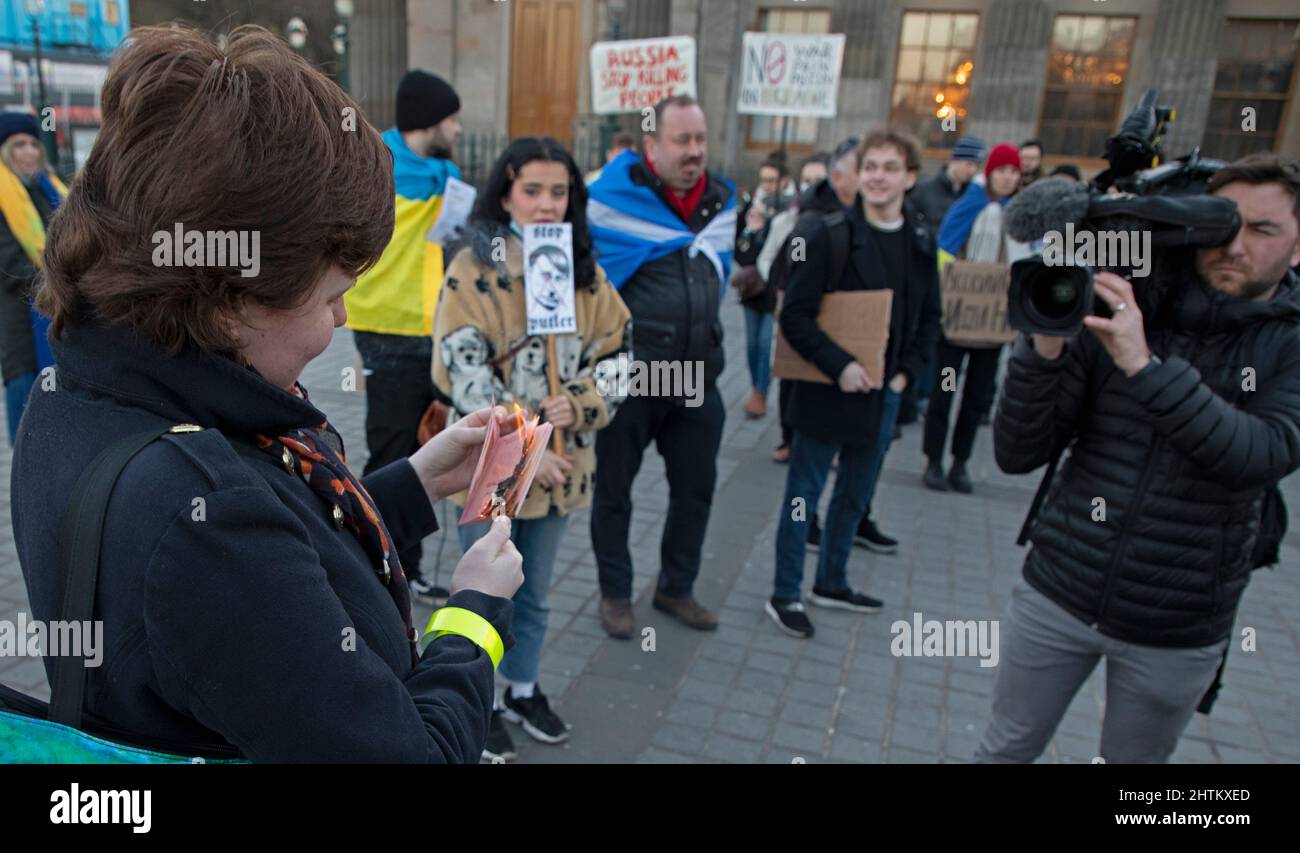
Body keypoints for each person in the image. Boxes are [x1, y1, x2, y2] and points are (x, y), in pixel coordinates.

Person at [13, 25, 523, 763]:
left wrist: (413, 483)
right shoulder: (202, 517)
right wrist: (474, 613)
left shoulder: (84, 391)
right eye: (331, 296)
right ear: (227, 298)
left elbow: (285, 564)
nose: (342, 320)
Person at [977, 152, 1300, 763]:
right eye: (1223, 224)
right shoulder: (1128, 301)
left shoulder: (1288, 342)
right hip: (1059, 589)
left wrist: (1144, 368)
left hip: (1177, 628)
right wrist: (1043, 350)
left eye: (1263, 230)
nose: (1235, 246)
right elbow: (1017, 453)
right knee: (1004, 750)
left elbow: (1262, 455)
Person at [432, 137, 630, 761]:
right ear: (506, 194)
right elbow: (458, 366)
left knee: (538, 593)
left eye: (559, 192)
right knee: (484, 594)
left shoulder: (587, 273)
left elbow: (621, 357)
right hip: (493, 471)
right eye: (532, 191)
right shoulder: (472, 267)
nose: (547, 204)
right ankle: (478, 701)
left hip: (568, 469)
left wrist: (583, 398)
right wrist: (526, 452)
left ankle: (521, 689)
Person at [766, 129, 940, 638]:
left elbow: (929, 317)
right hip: (826, 389)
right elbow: (794, 316)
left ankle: (833, 580)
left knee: (856, 492)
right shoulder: (828, 234)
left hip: (883, 395)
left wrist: (906, 372)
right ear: (859, 174)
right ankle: (785, 592)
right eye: (871, 167)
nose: (878, 177)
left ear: (909, 177)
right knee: (804, 494)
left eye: (890, 167)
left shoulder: (921, 240)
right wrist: (840, 363)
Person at [586, 94, 736, 638]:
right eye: (682, 140)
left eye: (700, 139)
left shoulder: (721, 202)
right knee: (614, 492)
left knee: (696, 489)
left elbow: (721, 266)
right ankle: (615, 594)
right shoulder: (609, 203)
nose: (695, 151)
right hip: (631, 374)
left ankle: (677, 586)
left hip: (698, 376)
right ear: (652, 146)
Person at [345, 69, 465, 606]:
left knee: (429, 446)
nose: (459, 129)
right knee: (390, 450)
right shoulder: (373, 165)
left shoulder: (448, 175)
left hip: (436, 331)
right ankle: (364, 559)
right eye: (452, 119)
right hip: (386, 331)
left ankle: (407, 567)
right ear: (429, 120)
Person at [923, 143, 1031, 494]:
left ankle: (960, 462)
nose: (1008, 177)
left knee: (976, 398)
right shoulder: (967, 205)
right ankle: (934, 459)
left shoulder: (1018, 215)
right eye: (1002, 170)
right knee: (946, 392)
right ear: (991, 172)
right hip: (956, 324)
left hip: (992, 326)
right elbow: (945, 252)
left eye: (1014, 172)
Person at [770, 141, 855, 464]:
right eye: (807, 178)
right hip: (804, 312)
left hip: (842, 317)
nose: (812, 184)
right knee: (795, 380)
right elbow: (789, 263)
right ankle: (789, 438)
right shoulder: (806, 223)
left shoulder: (857, 217)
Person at [898, 135, 986, 427]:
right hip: (927, 275)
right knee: (921, 333)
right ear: (955, 161)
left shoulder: (973, 197)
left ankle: (931, 393)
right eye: (968, 163)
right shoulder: (925, 191)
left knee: (941, 340)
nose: (972, 169)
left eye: (976, 165)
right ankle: (912, 394)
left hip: (958, 283)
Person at [0, 112, 65, 446]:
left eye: (32, 144)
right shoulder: (3, 196)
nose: (29, 152)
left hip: (59, 317)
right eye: (18, 145)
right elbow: (9, 264)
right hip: (21, 326)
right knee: (27, 420)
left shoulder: (50, 190)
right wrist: (63, 280)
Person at [736, 157, 789, 419]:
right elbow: (741, 253)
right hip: (751, 289)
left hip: (772, 290)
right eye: (764, 180)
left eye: (772, 180)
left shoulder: (788, 214)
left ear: (784, 182)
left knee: (764, 344)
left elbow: (790, 255)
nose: (767, 186)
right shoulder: (750, 208)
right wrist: (750, 232)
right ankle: (755, 387)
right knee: (750, 345)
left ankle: (762, 393)